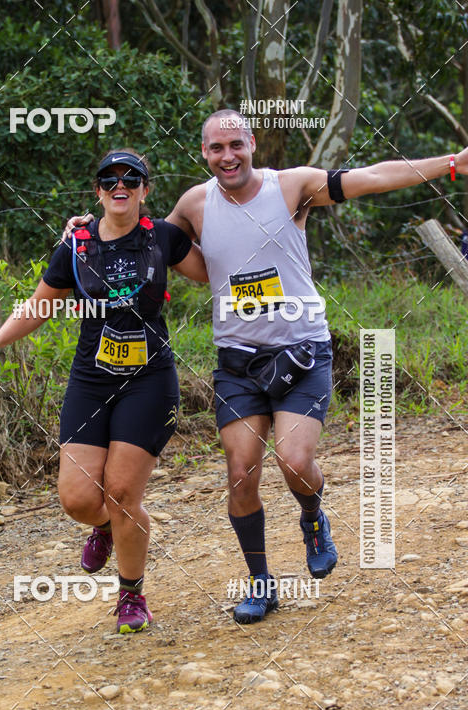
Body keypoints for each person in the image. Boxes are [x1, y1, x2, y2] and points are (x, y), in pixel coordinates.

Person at [67, 117, 468, 626]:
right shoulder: (195, 204)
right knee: (240, 476)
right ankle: (260, 583)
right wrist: (87, 231)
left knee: (295, 462)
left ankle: (312, 517)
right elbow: (141, 240)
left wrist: (452, 163)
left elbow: (372, 177)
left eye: (236, 144)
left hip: (301, 352)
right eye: (217, 148)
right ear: (205, 153)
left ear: (252, 144)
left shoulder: (292, 187)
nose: (228, 156)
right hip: (238, 363)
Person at [0, 149, 207, 633]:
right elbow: (39, 305)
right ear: (98, 191)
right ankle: (104, 526)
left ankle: (131, 596)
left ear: (145, 189)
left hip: (149, 381)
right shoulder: (76, 246)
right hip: (91, 380)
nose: (120, 186)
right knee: (78, 499)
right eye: (109, 179)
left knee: (121, 491)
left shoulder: (163, 237)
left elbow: (214, 271)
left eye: (131, 178)